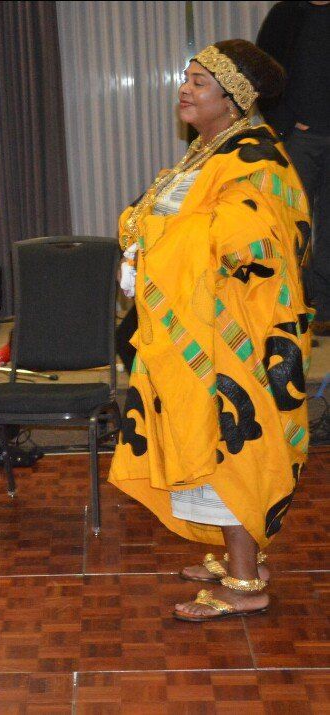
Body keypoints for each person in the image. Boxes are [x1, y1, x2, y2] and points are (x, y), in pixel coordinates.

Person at [109, 42, 311, 622]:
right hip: (197, 325)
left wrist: (154, 238)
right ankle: (238, 557)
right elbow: (163, 213)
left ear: (234, 98)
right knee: (202, 438)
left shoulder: (257, 160)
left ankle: (246, 583)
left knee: (231, 446)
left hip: (236, 333)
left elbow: (244, 240)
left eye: (200, 81)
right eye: (187, 77)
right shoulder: (210, 151)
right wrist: (144, 234)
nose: (185, 88)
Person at [257, 1, 329, 336]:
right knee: (291, 225)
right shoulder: (285, 14)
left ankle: (325, 309)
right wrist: (285, 123)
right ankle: (292, 309)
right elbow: (262, 73)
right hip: (299, 139)